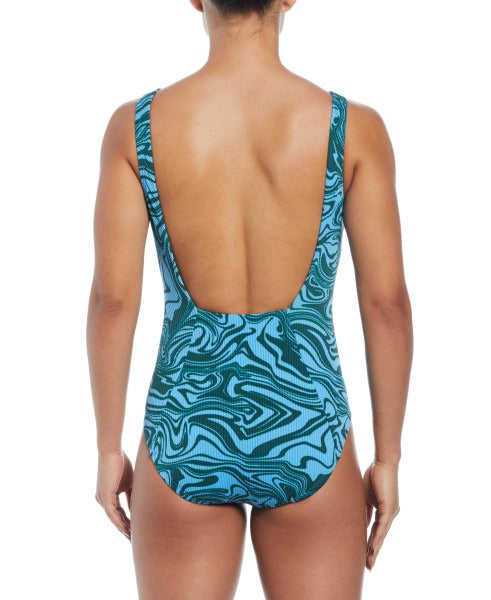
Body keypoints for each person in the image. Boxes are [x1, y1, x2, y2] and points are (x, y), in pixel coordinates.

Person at [86, 0, 413, 598]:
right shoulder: (352, 128)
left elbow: (113, 303)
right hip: (308, 426)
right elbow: (386, 305)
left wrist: (109, 448)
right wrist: (387, 459)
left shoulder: (136, 127)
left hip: (184, 428)